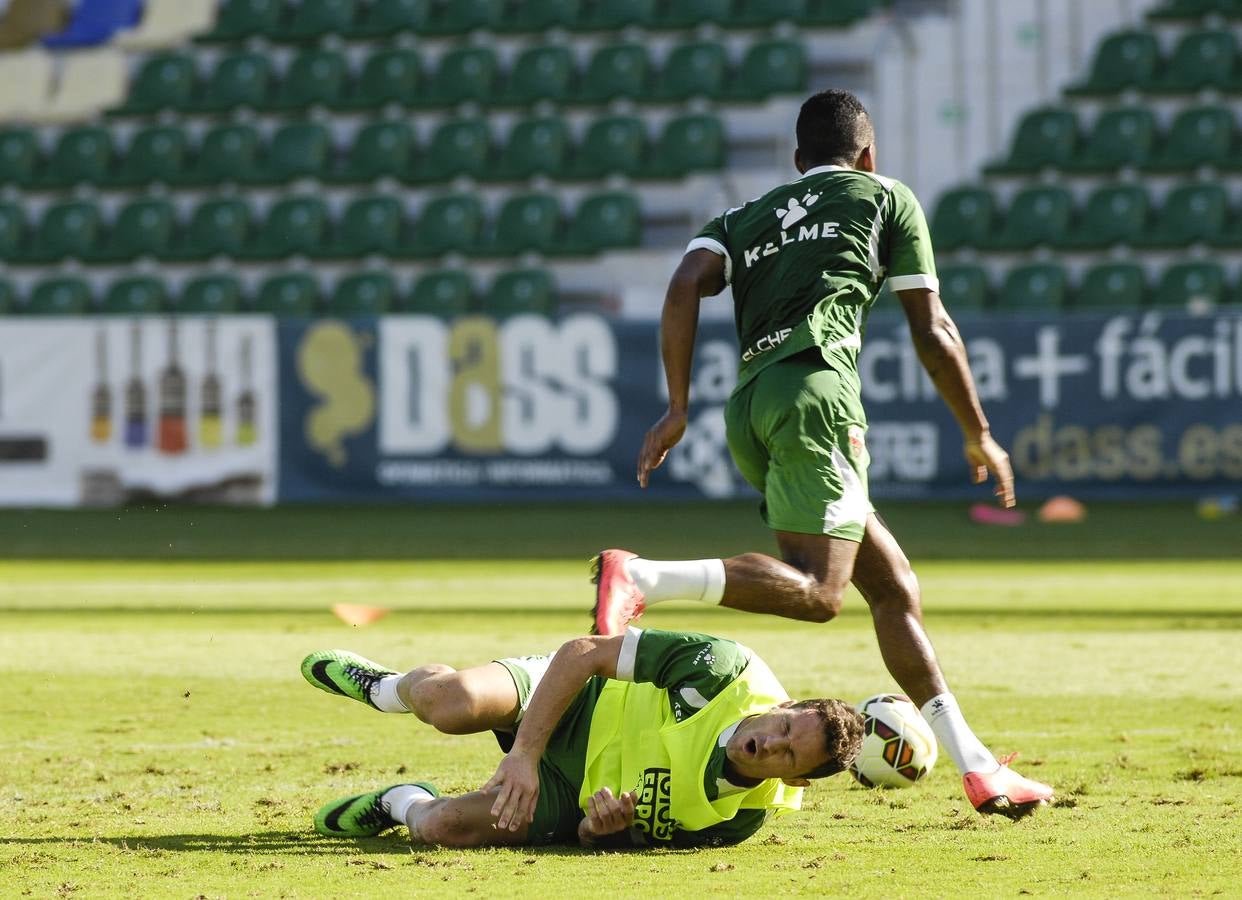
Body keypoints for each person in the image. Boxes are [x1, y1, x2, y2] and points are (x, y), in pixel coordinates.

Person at [592, 89, 1053, 819]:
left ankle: (977, 767)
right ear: (868, 156)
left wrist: (677, 406)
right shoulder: (884, 197)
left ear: (798, 161)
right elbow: (931, 326)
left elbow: (684, 285)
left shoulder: (742, 220)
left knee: (894, 590)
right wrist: (978, 430)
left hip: (750, 408)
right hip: (816, 399)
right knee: (819, 593)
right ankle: (642, 575)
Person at [301, 627, 863, 848]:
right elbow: (584, 652)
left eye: (788, 754)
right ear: (784, 706)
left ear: (793, 778)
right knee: (453, 705)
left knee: (444, 826)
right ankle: (385, 687)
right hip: (578, 702)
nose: (771, 742)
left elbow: (611, 846)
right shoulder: (722, 669)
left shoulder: (738, 819)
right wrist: (524, 752)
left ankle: (397, 802)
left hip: (570, 790)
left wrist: (600, 830)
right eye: (784, 726)